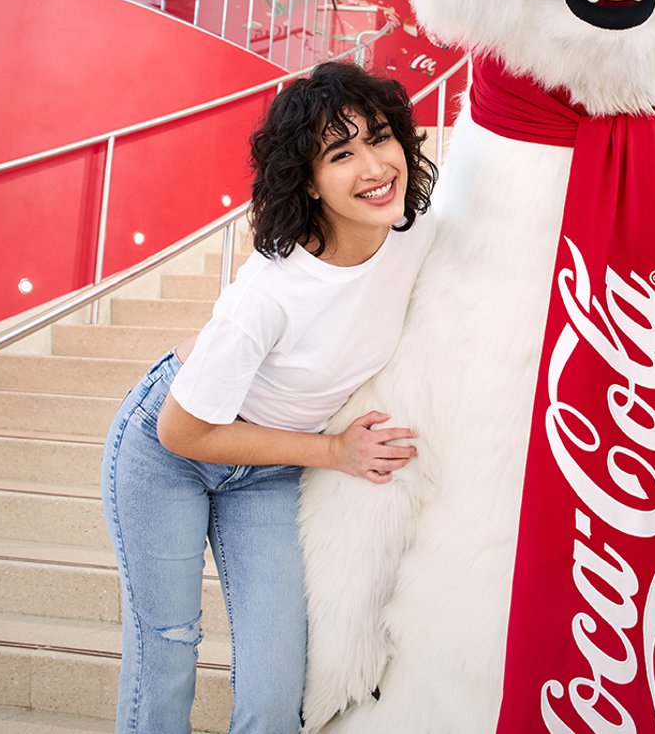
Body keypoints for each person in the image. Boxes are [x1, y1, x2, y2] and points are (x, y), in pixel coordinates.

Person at [101, 62, 438, 733]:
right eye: (341, 154)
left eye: (380, 138)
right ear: (308, 182)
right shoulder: (271, 291)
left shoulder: (415, 231)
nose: (374, 167)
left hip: (267, 472)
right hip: (168, 452)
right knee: (166, 644)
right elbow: (182, 432)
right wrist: (334, 451)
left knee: (278, 679)